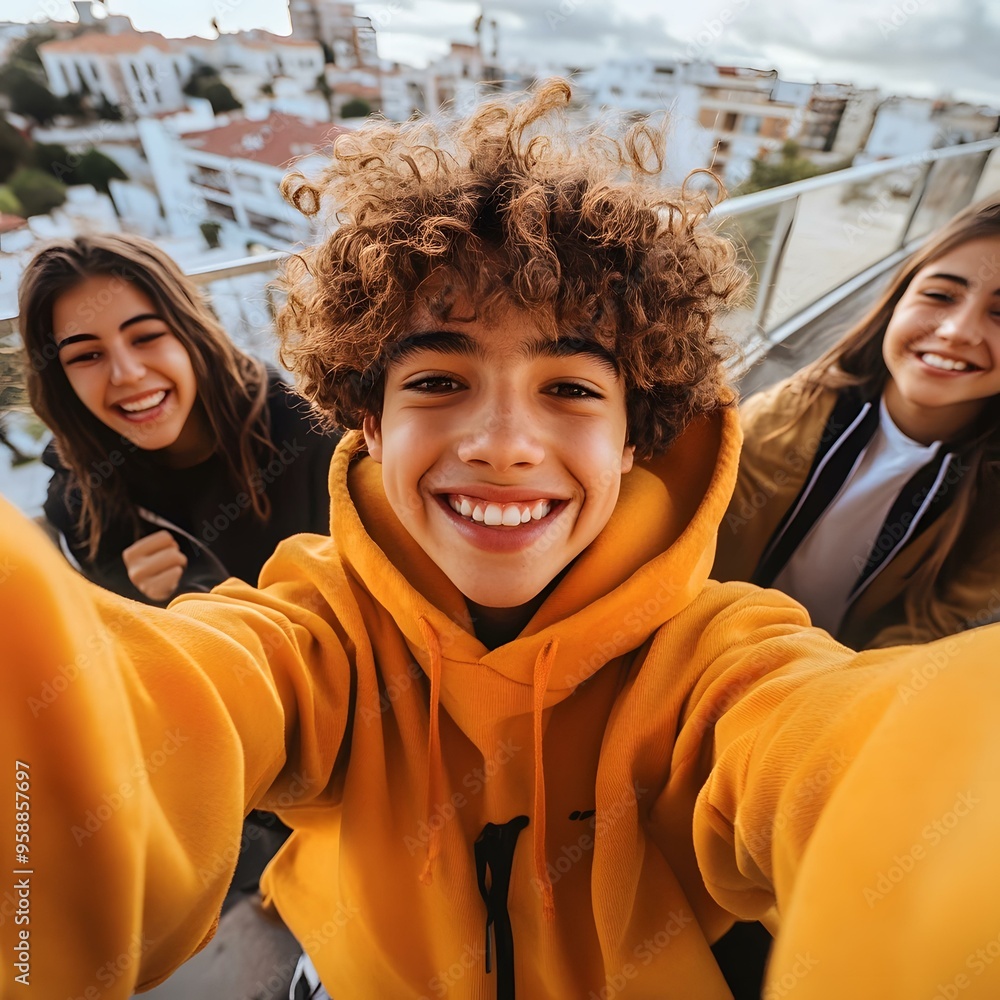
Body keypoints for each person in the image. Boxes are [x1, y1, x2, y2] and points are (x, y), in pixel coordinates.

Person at [4, 81, 1000, 1000]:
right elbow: (168, 703)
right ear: (370, 424)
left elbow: (831, 753)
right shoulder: (316, 628)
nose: (503, 445)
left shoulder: (717, 660)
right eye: (438, 381)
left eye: (569, 389)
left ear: (632, 442)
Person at [714, 198, 1000, 651]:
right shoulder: (790, 411)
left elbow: (926, 643)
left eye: (999, 314)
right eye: (941, 295)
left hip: (835, 701)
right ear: (897, 300)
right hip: (703, 648)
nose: (956, 331)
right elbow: (702, 539)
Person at [19, 233, 338, 605]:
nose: (127, 373)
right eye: (87, 356)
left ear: (191, 334)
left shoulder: (305, 431)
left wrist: (204, 597)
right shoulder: (78, 495)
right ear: (60, 378)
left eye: (146, 336)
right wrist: (140, 600)